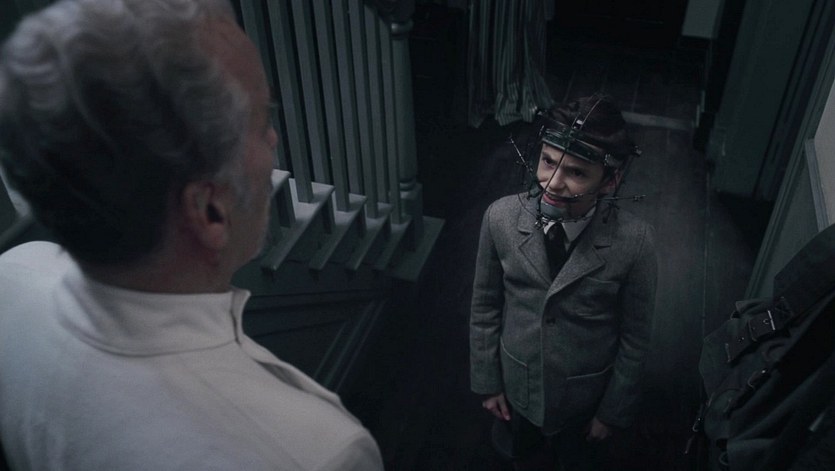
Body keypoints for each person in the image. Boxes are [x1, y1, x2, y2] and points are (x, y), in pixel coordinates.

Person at [0, 0, 383, 469]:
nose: (273, 139)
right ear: (210, 213)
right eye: (262, 122)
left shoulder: (12, 273)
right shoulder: (317, 453)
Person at [470, 94, 657, 469]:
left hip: (584, 397)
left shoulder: (635, 244)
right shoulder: (500, 219)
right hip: (517, 381)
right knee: (519, 451)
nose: (553, 183)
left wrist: (612, 412)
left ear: (611, 179)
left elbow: (635, 339)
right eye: (548, 161)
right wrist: (488, 381)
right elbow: (484, 306)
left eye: (577, 173)